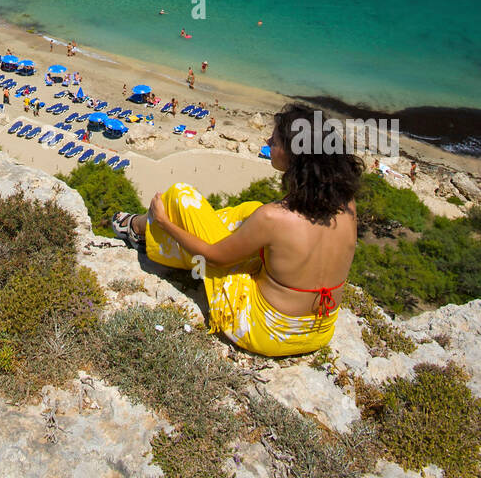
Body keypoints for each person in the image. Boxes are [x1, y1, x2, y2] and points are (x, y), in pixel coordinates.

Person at [112, 104, 360, 358]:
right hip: (320, 330)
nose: (267, 141)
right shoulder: (347, 204)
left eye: (274, 141)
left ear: (294, 155)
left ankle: (141, 230)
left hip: (265, 332)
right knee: (251, 210)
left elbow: (213, 257)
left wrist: (166, 223)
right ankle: (144, 229)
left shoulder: (274, 217)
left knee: (181, 196)